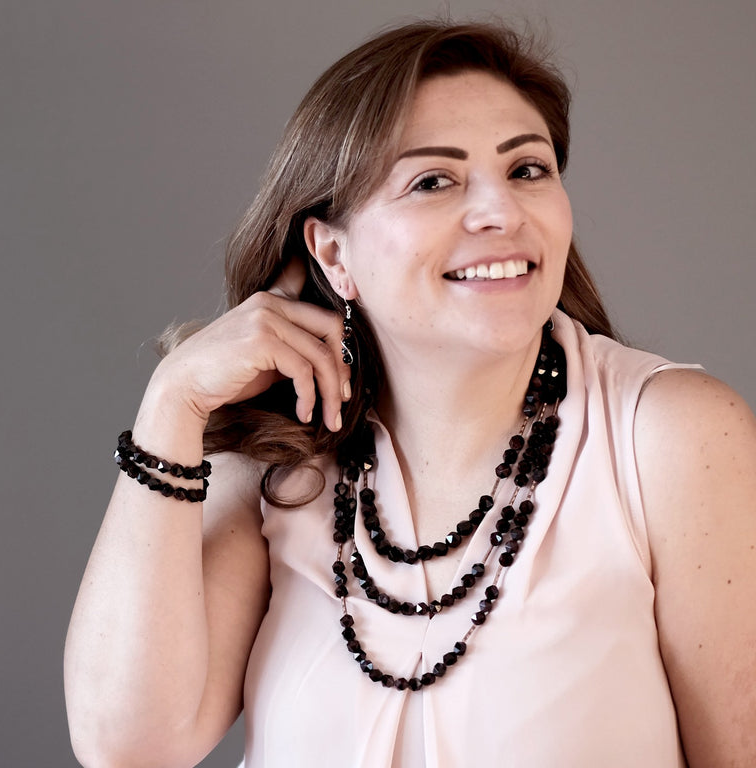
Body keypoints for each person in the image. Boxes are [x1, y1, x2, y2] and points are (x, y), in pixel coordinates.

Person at [65, 20, 756, 767]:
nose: (502, 211)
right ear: (333, 253)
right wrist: (172, 405)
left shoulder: (672, 437)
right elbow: (127, 746)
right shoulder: (278, 461)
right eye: (433, 180)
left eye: (528, 169)